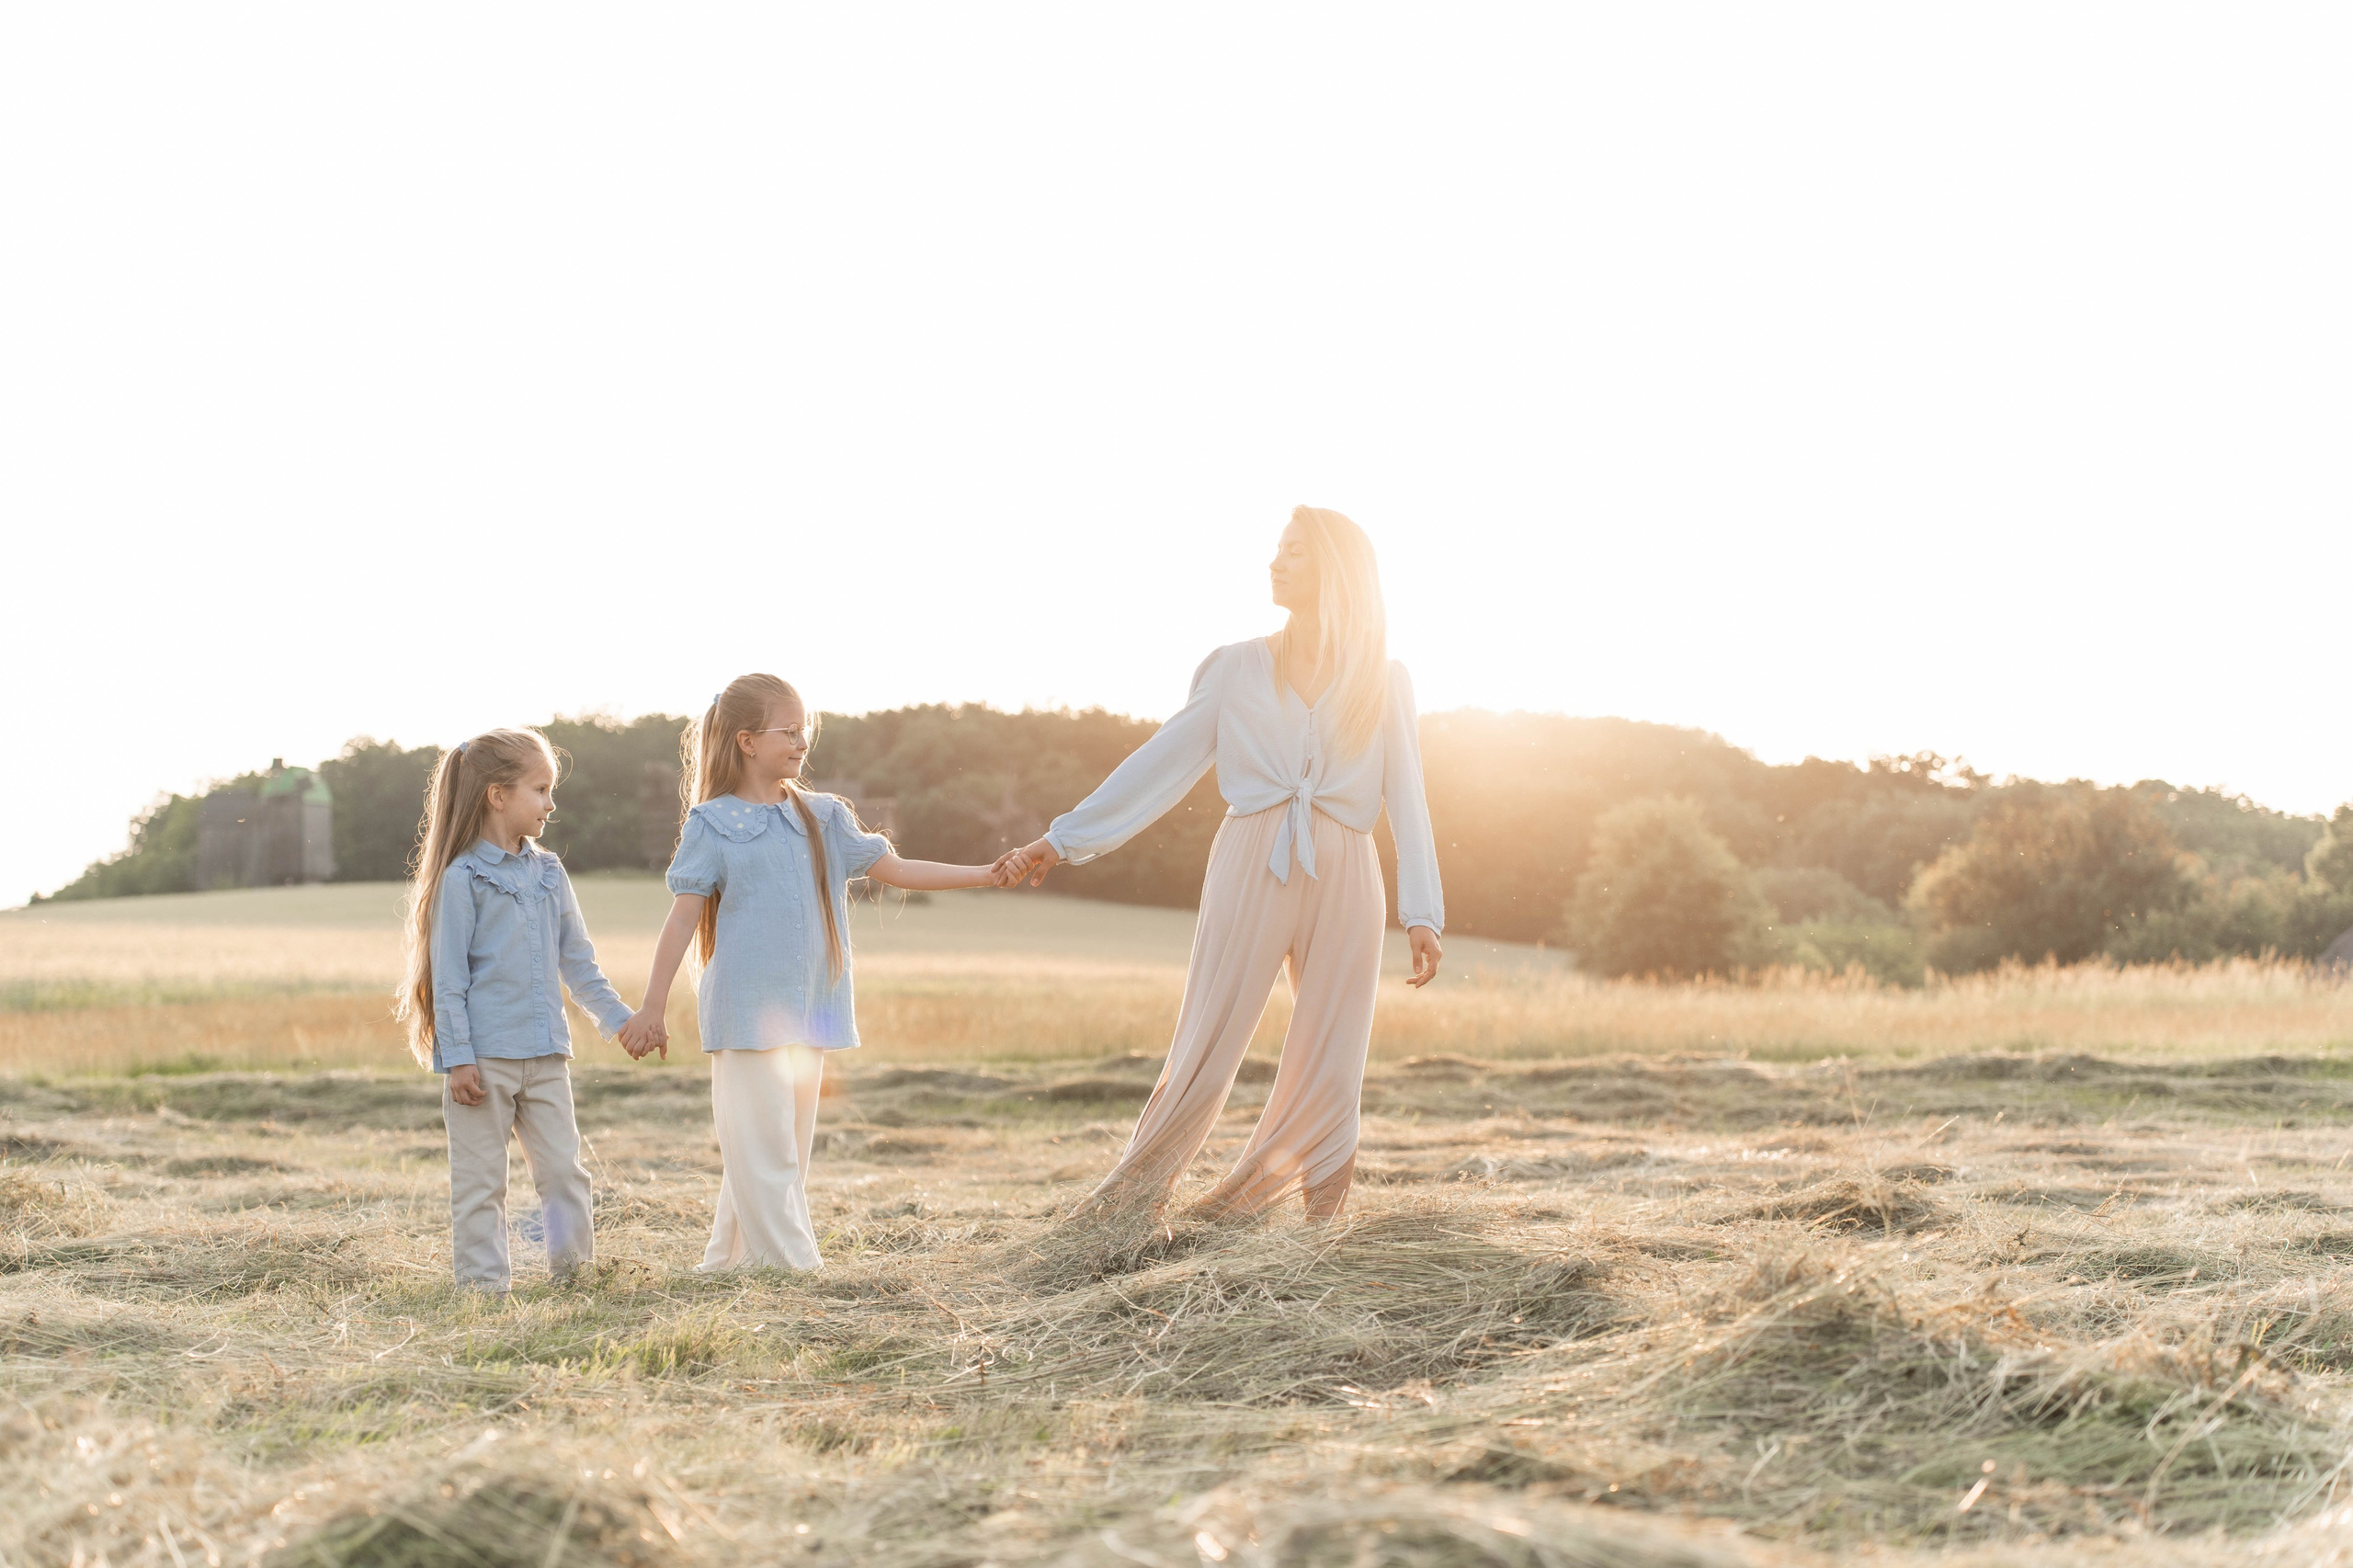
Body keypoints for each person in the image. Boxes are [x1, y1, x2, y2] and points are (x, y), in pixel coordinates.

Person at [996, 506, 1444, 1221]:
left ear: (1334, 568)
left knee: (1334, 1053)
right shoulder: (1235, 666)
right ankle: (1128, 1209)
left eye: (1293, 551)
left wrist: (1423, 913)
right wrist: (1065, 839)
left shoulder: (1385, 679)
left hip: (1348, 869)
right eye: (1278, 549)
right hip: (1252, 859)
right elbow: (1162, 761)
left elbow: (1409, 797)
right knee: (1207, 1033)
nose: (1275, 561)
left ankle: (1317, 1235)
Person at [621, 673, 1015, 1271]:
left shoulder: (825, 817)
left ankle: (725, 1266)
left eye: (804, 730)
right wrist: (651, 1007)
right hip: (746, 1013)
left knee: (780, 1155)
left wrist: (986, 873)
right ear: (747, 741)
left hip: (813, 1010)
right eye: (789, 730)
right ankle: (796, 1273)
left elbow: (899, 870)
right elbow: (681, 923)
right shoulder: (711, 823)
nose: (802, 742)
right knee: (766, 1154)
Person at [397, 727, 637, 1293]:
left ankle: (575, 1282)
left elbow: (578, 963)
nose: (551, 803)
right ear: (497, 795)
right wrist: (456, 1059)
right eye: (541, 789)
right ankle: (484, 1293)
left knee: (565, 1175)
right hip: (483, 1062)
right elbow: (449, 981)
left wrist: (622, 1022)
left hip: (547, 1057)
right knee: (481, 1183)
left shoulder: (550, 873)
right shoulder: (462, 880)